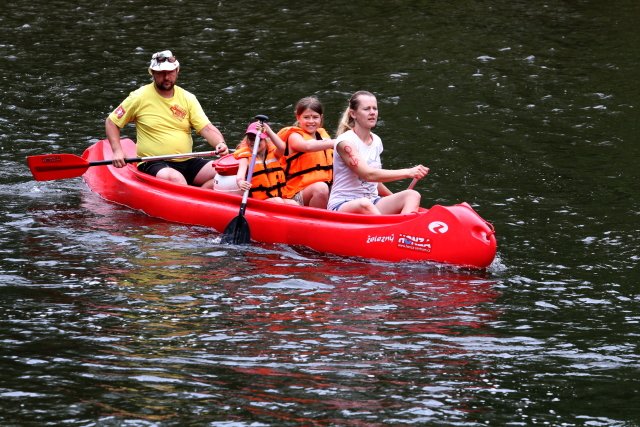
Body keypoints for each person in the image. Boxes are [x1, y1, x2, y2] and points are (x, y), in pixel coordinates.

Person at [105, 49, 229, 188]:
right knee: (176, 178)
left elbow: (206, 128)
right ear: (152, 73)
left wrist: (220, 143)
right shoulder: (138, 97)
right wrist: (117, 151)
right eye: (161, 73)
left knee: (226, 172)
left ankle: (201, 195)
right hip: (153, 162)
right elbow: (112, 122)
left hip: (186, 160)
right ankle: (191, 196)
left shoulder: (188, 98)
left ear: (177, 70)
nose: (166, 77)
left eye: (170, 72)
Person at [327, 90, 429, 215]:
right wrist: (408, 172)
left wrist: (397, 199)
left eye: (375, 108)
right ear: (353, 114)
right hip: (344, 205)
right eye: (366, 109)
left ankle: (403, 231)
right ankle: (391, 232)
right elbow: (368, 175)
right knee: (364, 204)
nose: (372, 113)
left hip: (373, 202)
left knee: (412, 195)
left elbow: (376, 182)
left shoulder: (376, 141)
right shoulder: (345, 142)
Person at [277, 96, 334, 208]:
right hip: (295, 193)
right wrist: (336, 142)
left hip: (325, 188)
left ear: (321, 118)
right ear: (298, 117)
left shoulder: (322, 135)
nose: (311, 121)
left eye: (315, 117)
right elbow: (307, 146)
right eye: (306, 117)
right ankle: (317, 222)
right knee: (321, 188)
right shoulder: (294, 136)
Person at [235, 121, 299, 205]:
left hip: (280, 197)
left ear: (266, 140)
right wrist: (241, 182)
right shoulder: (245, 158)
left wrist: (268, 130)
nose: (254, 142)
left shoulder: (275, 154)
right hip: (258, 201)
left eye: (259, 139)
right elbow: (240, 175)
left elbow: (282, 147)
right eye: (251, 139)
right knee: (277, 201)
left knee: (294, 204)